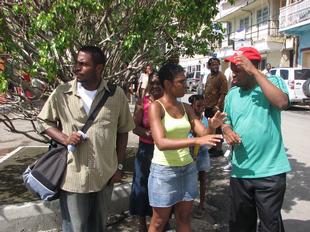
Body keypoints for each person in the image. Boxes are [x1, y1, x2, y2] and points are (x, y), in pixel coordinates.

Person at [37, 46, 135, 232]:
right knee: (75, 227)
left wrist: (119, 167)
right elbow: (43, 120)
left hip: (104, 175)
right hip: (73, 175)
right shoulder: (62, 93)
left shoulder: (116, 95)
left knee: (98, 226)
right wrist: (65, 138)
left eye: (83, 64)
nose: (76, 68)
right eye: (76, 63)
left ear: (99, 68)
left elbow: (123, 131)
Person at [147, 63, 226, 232]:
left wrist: (212, 126)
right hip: (164, 172)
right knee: (159, 222)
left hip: (187, 169)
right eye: (181, 81)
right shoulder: (156, 107)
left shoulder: (187, 108)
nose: (186, 84)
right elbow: (161, 143)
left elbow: (203, 133)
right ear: (168, 84)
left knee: (183, 219)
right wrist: (194, 141)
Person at [223, 47, 291, 232]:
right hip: (241, 173)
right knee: (240, 226)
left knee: (270, 227)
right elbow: (226, 120)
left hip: (270, 173)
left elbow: (282, 103)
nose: (232, 73)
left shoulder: (272, 82)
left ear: (251, 66)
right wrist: (226, 129)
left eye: (237, 68)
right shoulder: (232, 95)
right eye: (231, 68)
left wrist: (255, 72)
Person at [129, 72, 163, 232]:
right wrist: (147, 133)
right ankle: (142, 223)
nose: (155, 86)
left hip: (164, 151)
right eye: (153, 83)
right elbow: (134, 127)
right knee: (141, 186)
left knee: (162, 186)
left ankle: (160, 221)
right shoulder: (142, 103)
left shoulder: (169, 103)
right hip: (146, 150)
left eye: (159, 83)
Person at [188, 94, 211, 219]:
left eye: (203, 106)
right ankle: (188, 204)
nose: (201, 108)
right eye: (198, 106)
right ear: (192, 105)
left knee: (202, 178)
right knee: (189, 180)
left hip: (202, 152)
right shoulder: (188, 119)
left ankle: (202, 204)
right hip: (189, 153)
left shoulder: (204, 120)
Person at [204, 57, 228, 157]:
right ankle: (213, 147)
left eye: (217, 64)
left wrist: (218, 105)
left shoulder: (221, 76)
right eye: (213, 64)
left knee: (218, 128)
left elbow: (223, 93)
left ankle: (218, 149)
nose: (215, 66)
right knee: (210, 126)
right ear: (209, 66)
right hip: (208, 106)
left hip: (216, 108)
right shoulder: (209, 76)